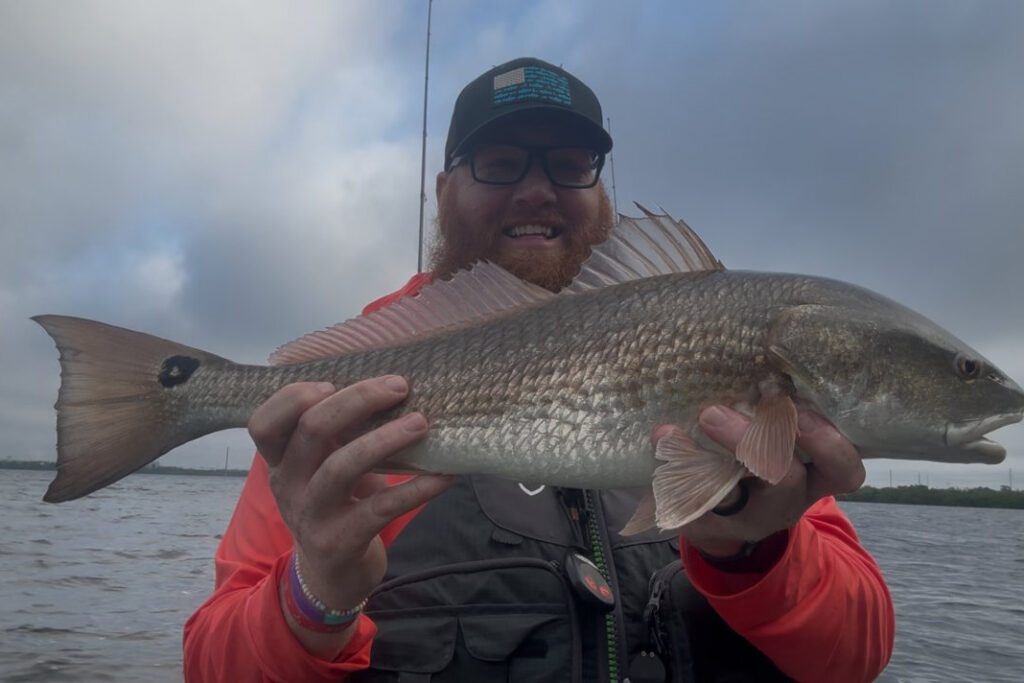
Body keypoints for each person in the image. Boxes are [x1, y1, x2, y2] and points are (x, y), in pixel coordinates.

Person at [183, 57, 894, 682]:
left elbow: (857, 654)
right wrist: (316, 594)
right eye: (498, 162)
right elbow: (210, 665)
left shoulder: (724, 362)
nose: (535, 190)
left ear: (602, 190)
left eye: (569, 163)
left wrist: (753, 545)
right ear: (441, 191)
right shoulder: (343, 404)